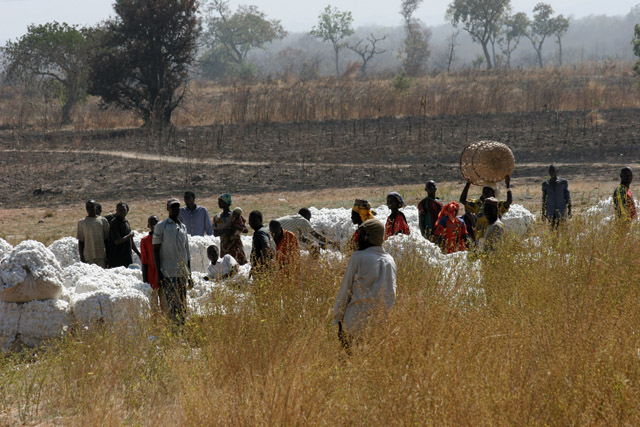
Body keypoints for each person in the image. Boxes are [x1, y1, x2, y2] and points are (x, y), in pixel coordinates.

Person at [333, 219, 397, 348]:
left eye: (360, 234)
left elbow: (345, 290)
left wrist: (338, 319)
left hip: (355, 321)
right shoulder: (390, 261)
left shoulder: (358, 257)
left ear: (368, 237)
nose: (357, 239)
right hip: (379, 324)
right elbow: (391, 296)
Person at [153, 198, 192, 325]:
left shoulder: (183, 227)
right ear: (167, 209)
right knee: (172, 303)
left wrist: (189, 274)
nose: (175, 209)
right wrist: (159, 274)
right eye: (172, 207)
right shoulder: (161, 226)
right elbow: (156, 251)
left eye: (177, 207)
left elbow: (187, 252)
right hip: (168, 272)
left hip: (182, 273)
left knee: (182, 302)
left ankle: (181, 328)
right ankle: (174, 330)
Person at [460, 176, 512, 241]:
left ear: (493, 193)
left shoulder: (496, 205)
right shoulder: (477, 204)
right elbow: (462, 200)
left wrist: (508, 186)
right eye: (484, 191)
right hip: (479, 239)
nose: (485, 193)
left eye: (488, 191)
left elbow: (509, 201)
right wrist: (468, 183)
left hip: (493, 238)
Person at [140, 215, 167, 314]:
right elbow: (144, 262)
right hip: (152, 277)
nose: (154, 225)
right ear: (148, 225)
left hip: (164, 275)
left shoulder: (164, 238)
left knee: (165, 306)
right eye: (152, 223)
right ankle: (156, 326)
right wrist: (145, 282)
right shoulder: (145, 241)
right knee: (154, 307)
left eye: (156, 222)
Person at [213, 193, 248, 265]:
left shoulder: (236, 215)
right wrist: (224, 231)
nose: (218, 203)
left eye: (221, 201)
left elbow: (246, 230)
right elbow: (215, 233)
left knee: (240, 266)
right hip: (224, 247)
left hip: (236, 246)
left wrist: (236, 228)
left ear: (226, 203)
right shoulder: (217, 218)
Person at [77, 199, 110, 268]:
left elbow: (107, 240)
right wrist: (82, 258)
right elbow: (81, 241)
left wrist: (108, 256)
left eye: (91, 206)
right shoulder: (82, 222)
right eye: (88, 207)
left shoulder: (103, 221)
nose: (89, 209)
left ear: (95, 207)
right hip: (88, 256)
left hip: (101, 256)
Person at [108, 202, 140, 268]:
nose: (122, 212)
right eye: (120, 210)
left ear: (127, 210)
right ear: (116, 211)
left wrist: (139, 253)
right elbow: (117, 241)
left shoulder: (126, 222)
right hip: (118, 258)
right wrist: (130, 235)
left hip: (127, 257)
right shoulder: (114, 223)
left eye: (124, 210)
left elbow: (131, 241)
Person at [248, 210, 274, 275]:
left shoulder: (260, 232)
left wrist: (260, 265)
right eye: (250, 220)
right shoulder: (261, 231)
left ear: (260, 219)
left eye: (254, 220)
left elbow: (266, 247)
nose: (251, 222)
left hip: (262, 270)